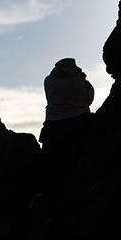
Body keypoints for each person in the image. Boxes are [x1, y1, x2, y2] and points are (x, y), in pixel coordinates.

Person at [39, 58, 94, 196]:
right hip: (77, 123)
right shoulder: (76, 82)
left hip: (52, 126)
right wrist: (82, 79)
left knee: (52, 168)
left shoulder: (48, 80)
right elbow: (87, 99)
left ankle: (46, 196)